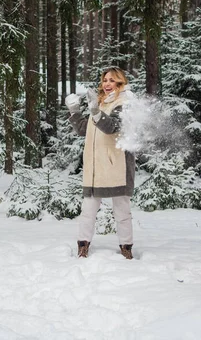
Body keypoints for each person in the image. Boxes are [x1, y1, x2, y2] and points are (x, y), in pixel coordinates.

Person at [65, 67, 135, 260]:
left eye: (112, 80)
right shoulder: (101, 103)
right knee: (87, 211)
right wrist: (75, 111)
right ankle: (83, 245)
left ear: (120, 83)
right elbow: (82, 130)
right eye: (105, 80)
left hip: (117, 167)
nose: (107, 84)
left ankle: (126, 247)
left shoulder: (125, 104)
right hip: (95, 168)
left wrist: (95, 111)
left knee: (122, 211)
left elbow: (112, 127)